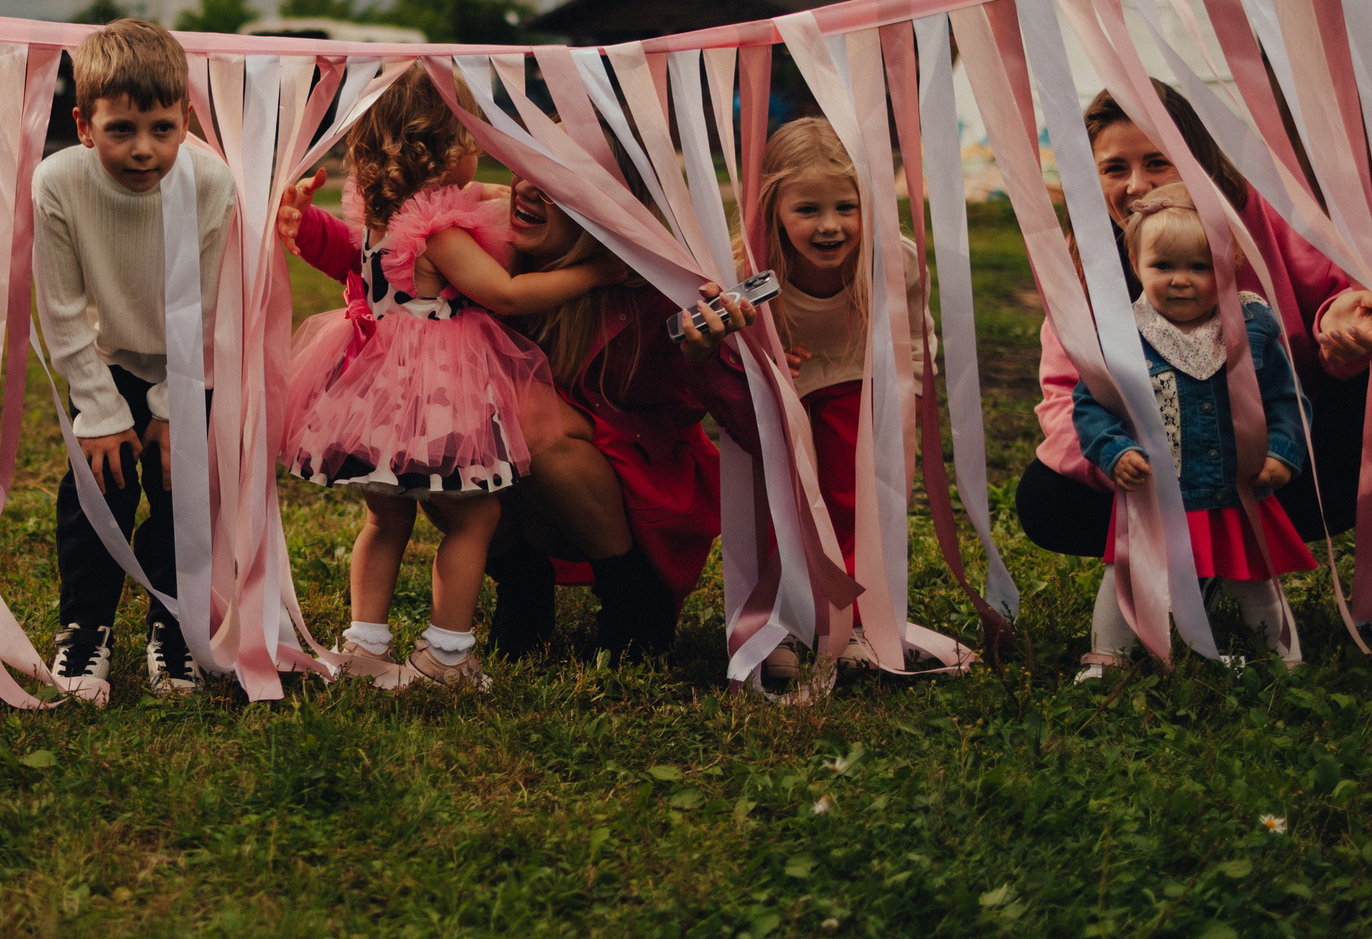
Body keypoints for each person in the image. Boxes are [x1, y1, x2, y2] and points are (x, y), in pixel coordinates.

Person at [1013, 83, 1372, 662]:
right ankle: (1197, 559)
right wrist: (1123, 463)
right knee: (1044, 498)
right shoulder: (1086, 261)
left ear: (1196, 159)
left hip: (1282, 468)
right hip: (1160, 484)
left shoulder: (1261, 216)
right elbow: (1065, 399)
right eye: (1114, 168)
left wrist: (1345, 318)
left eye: (1157, 161)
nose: (1137, 185)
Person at [285, 173, 758, 661]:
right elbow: (390, 269)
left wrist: (707, 358)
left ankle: (634, 598)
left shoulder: (649, 284)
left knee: (522, 411)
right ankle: (523, 587)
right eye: (521, 167)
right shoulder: (488, 244)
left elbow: (745, 424)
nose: (526, 188)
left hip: (632, 482)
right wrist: (308, 226)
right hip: (531, 482)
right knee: (432, 429)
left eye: (552, 182)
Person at [277, 62, 620, 691]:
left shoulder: (380, 214)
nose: (479, 153)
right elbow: (506, 293)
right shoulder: (436, 231)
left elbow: (479, 194)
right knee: (474, 518)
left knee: (384, 520)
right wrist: (598, 274)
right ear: (440, 152)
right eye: (469, 138)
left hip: (378, 386)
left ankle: (364, 643)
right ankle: (446, 655)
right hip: (435, 388)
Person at [32, 19, 236, 704]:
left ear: (186, 120)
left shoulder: (210, 181)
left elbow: (207, 307)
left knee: (182, 499)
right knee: (99, 492)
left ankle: (173, 624)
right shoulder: (58, 182)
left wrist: (173, 408)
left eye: (161, 128)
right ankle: (85, 627)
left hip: (188, 364)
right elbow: (62, 309)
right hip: (106, 358)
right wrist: (100, 408)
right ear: (83, 125)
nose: (144, 149)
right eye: (121, 128)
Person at [1071, 186, 1313, 674]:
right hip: (1156, 494)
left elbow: (1286, 399)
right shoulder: (1121, 335)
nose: (1181, 280)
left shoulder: (1250, 325)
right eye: (1163, 266)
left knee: (1254, 577)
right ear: (1136, 265)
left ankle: (1284, 658)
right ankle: (1108, 658)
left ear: (1229, 264)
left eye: (1200, 267)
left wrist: (1282, 451)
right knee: (1127, 576)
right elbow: (1091, 405)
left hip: (1233, 488)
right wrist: (1114, 450)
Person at [738, 117, 928, 680]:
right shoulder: (750, 265)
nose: (830, 226)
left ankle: (853, 622)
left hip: (857, 387)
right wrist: (767, 357)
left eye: (847, 207)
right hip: (787, 399)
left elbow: (916, 335)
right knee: (786, 506)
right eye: (808, 209)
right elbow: (730, 344)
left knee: (852, 502)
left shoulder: (894, 260)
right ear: (773, 207)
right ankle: (782, 622)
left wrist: (911, 395)